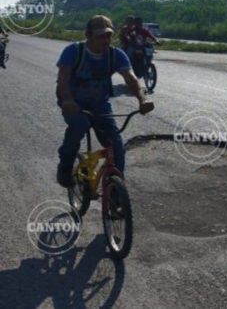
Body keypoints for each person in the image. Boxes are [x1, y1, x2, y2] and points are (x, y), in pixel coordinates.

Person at [56, 15, 154, 188]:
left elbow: (131, 79)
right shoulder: (74, 51)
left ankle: (116, 190)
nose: (105, 40)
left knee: (116, 144)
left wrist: (142, 99)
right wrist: (68, 101)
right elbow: (63, 80)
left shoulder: (115, 54)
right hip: (74, 103)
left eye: (108, 35)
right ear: (88, 35)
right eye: (100, 35)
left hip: (100, 104)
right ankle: (65, 166)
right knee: (79, 126)